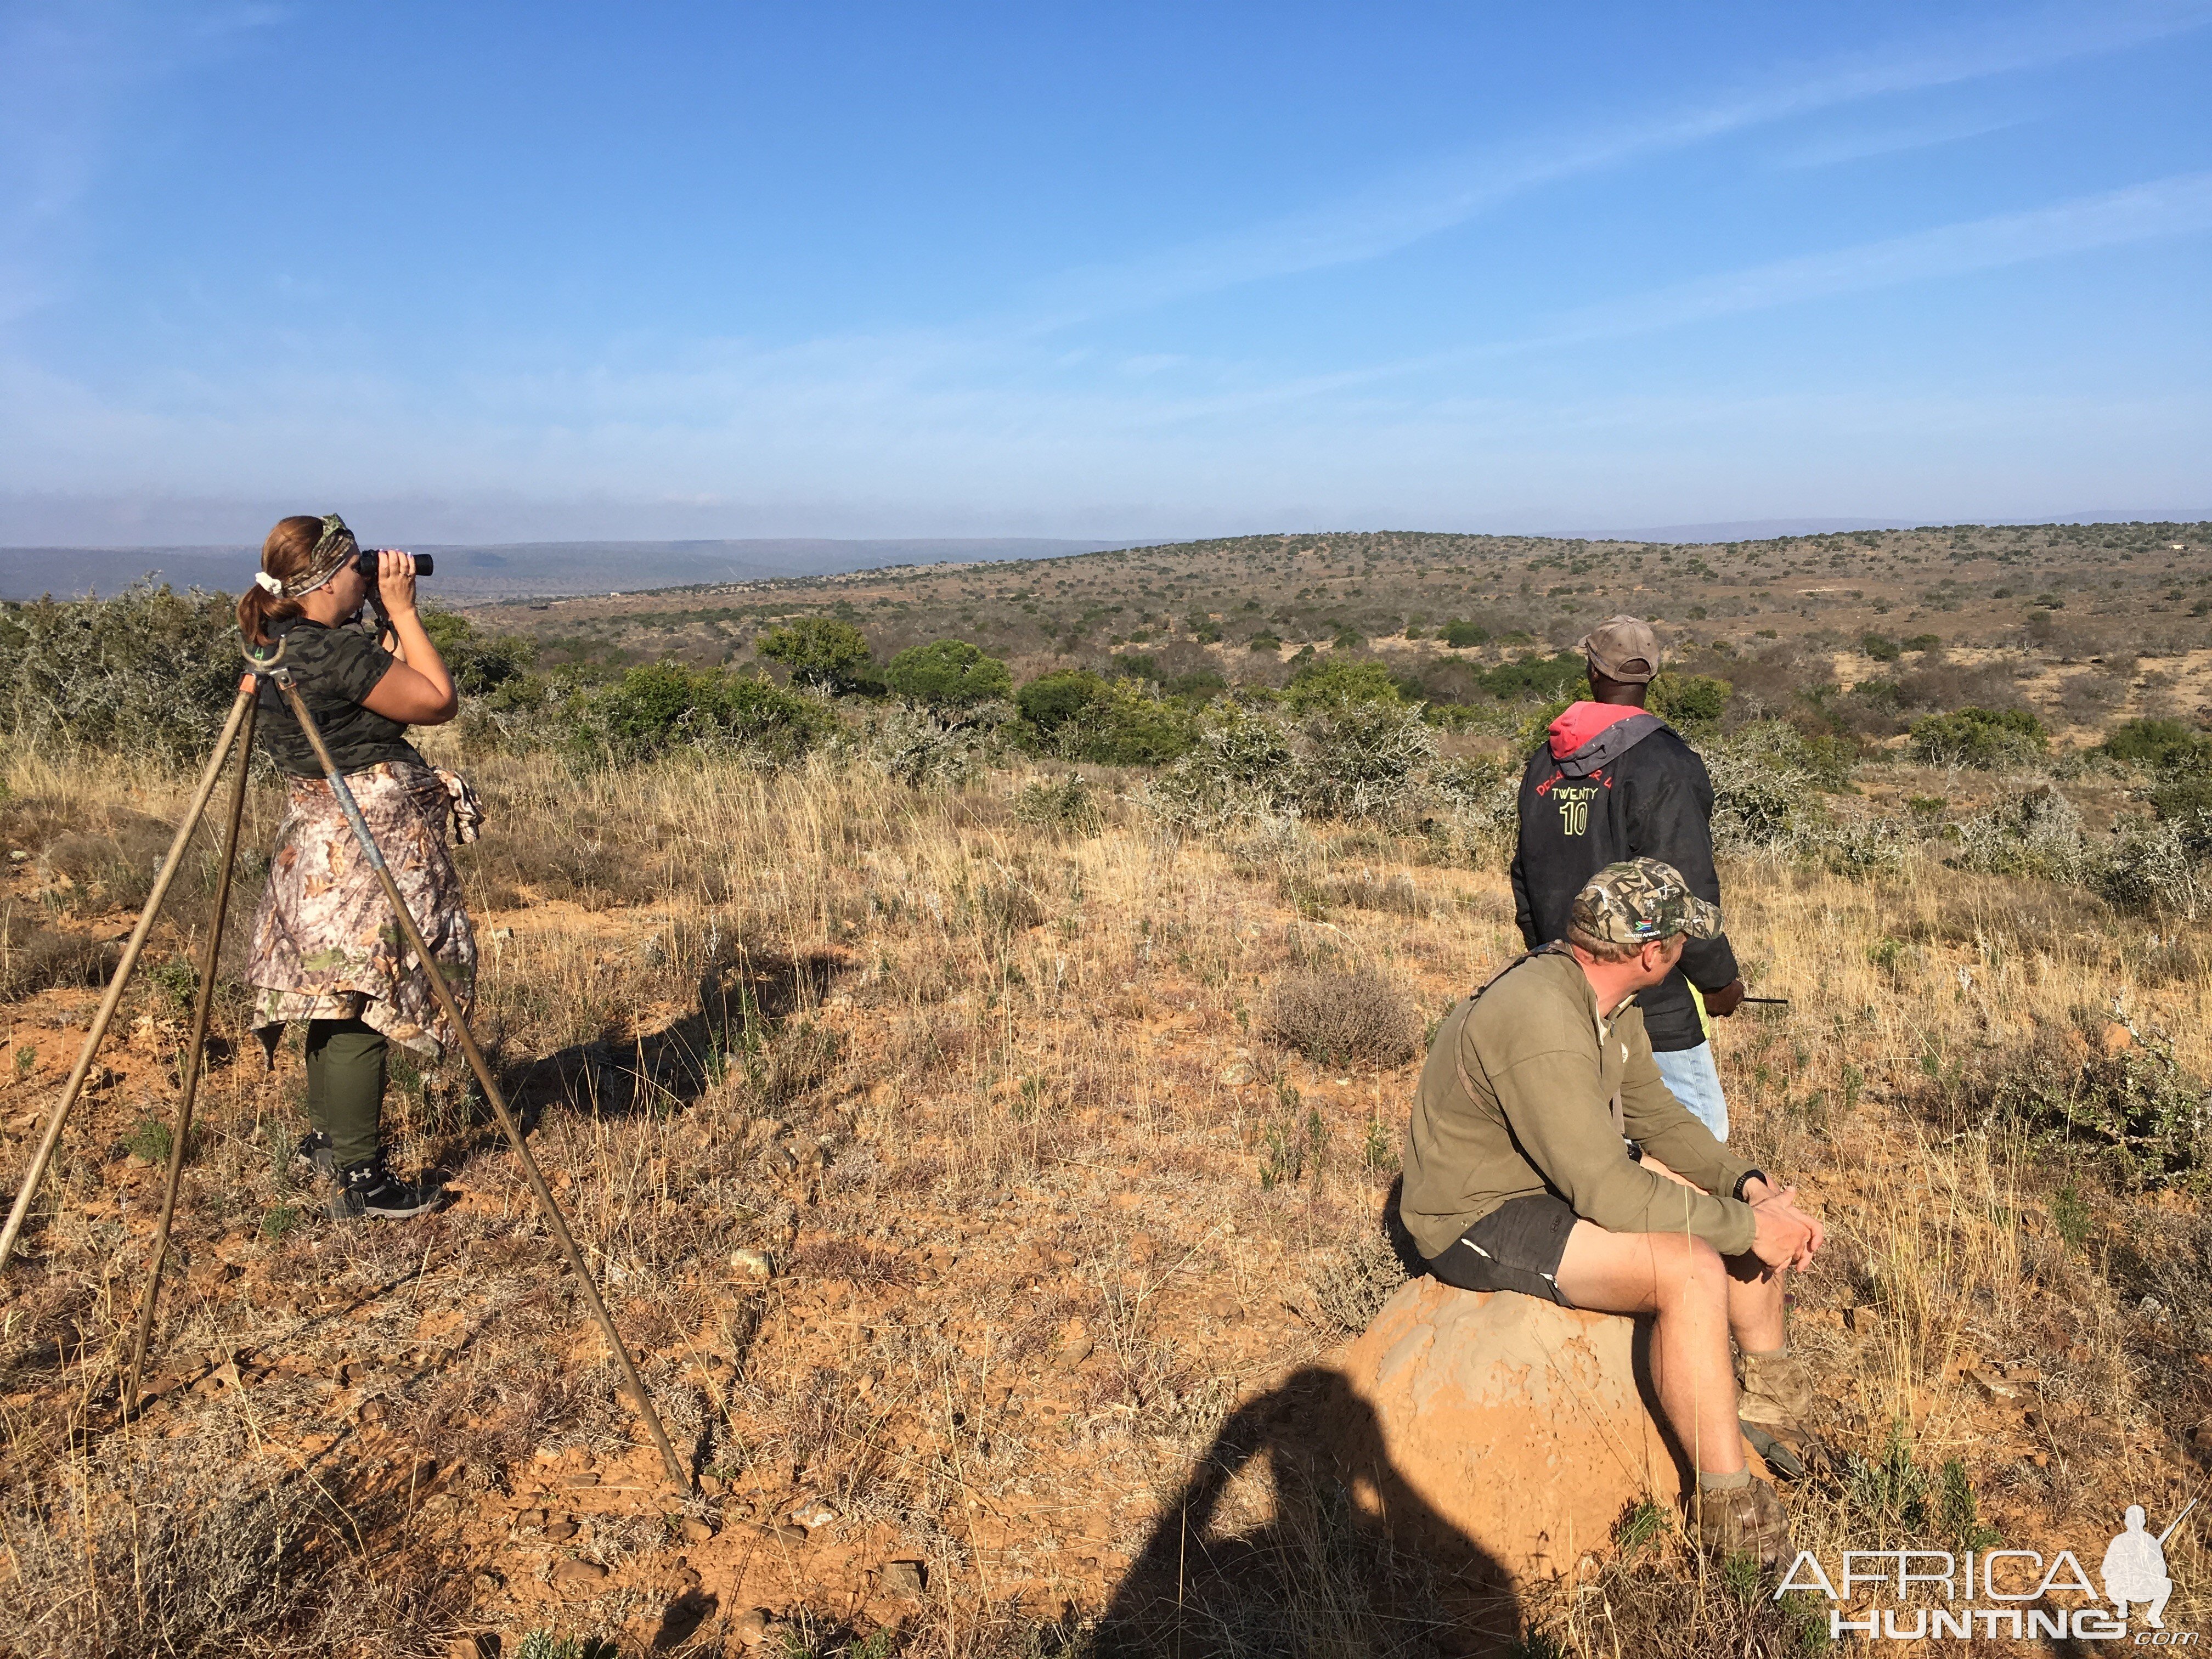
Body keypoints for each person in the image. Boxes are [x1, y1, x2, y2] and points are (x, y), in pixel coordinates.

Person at [1399, 858, 1824, 1564]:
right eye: (1683, 940)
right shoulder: (1543, 1016)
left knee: (1725, 1215)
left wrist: (1747, 1186)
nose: (1688, 951)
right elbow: (1607, 1190)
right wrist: (1749, 1228)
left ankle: (1773, 1404)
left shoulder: (1610, 1003)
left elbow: (1659, 1118)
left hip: (1549, 1180)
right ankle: (1732, 1514)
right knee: (1689, 1268)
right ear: (1653, 953)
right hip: (1476, 1214)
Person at [235, 513, 476, 1220]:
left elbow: (386, 684)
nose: (363, 580)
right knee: (367, 1006)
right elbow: (435, 701)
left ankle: (331, 1142)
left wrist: (380, 619)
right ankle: (363, 1178)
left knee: (332, 995)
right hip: (367, 844)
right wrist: (401, 609)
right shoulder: (330, 654)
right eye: (355, 572)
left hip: (316, 840)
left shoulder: (276, 643)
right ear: (327, 578)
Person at [1509, 614, 1745, 1139]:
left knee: (1592, 1139)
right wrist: (1719, 980)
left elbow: (1525, 875)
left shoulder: (1544, 762)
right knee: (1697, 1141)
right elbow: (1683, 889)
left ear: (1592, 671)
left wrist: (1551, 959)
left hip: (1565, 981)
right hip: (1650, 994)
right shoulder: (1666, 761)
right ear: (1651, 676)